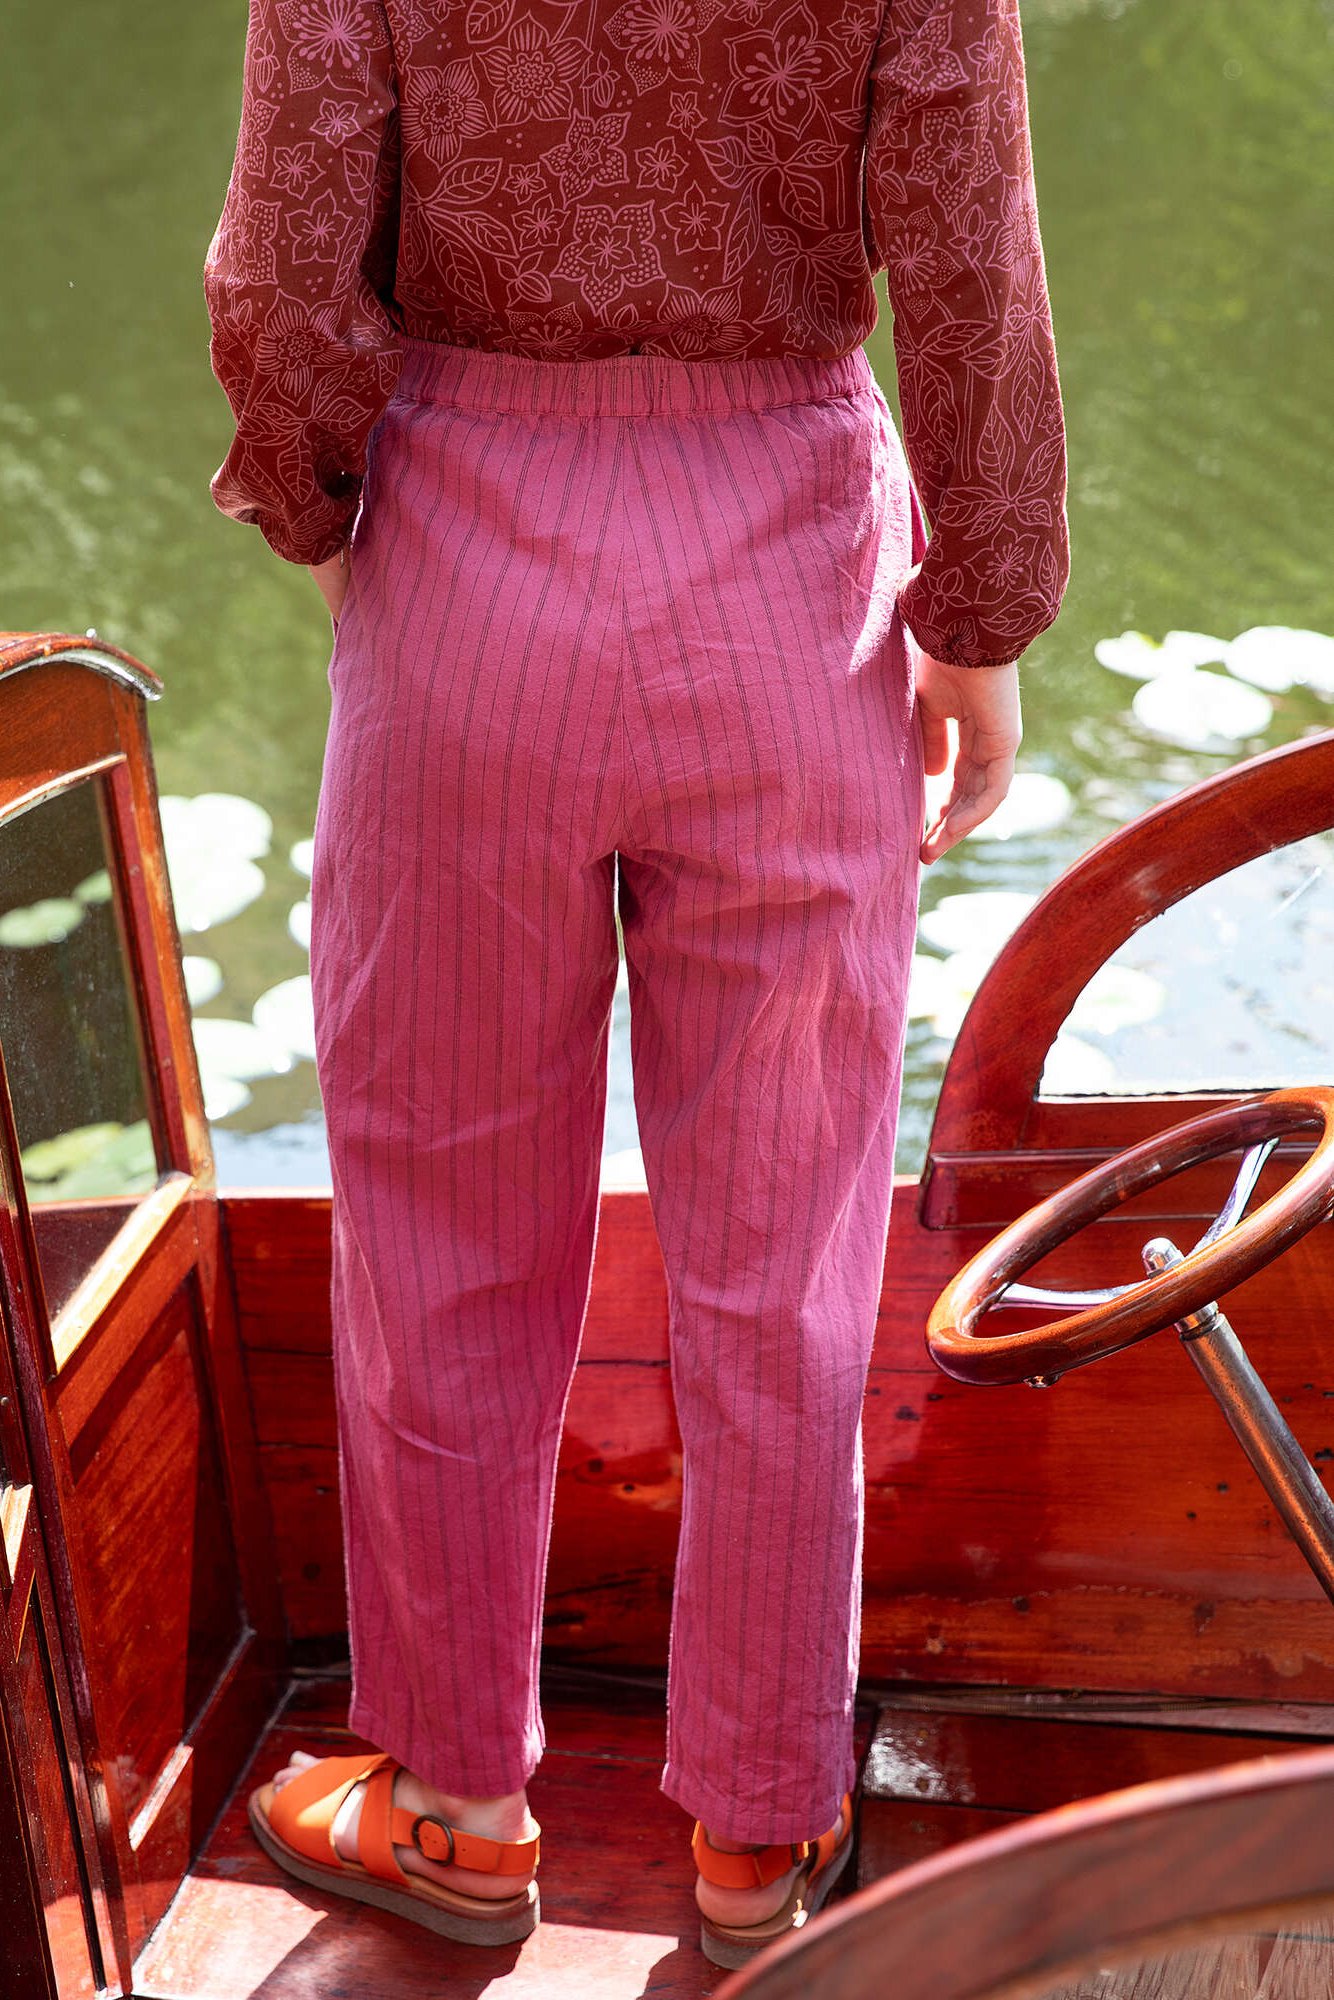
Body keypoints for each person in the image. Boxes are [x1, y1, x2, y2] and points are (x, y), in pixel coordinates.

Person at [204, 0, 1067, 1967]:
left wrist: (326, 513)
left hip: (464, 568)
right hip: (792, 581)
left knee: (440, 1228)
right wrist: (981, 615)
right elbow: (969, 259)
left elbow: (282, 261)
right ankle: (761, 1831)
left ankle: (457, 1811)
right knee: (785, 1251)